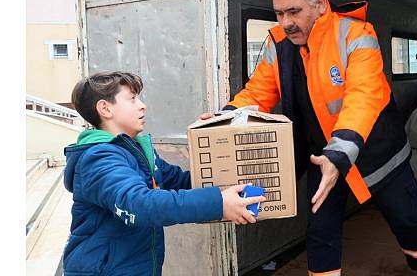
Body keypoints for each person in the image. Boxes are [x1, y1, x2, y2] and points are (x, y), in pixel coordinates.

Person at [202, 0, 417, 276]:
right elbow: (258, 91)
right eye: (279, 13)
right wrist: (223, 118)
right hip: (324, 159)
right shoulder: (277, 44)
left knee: (407, 218)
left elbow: (363, 95)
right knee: (320, 230)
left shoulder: (356, 34)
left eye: (294, 11)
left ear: (320, 5)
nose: (286, 22)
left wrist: (339, 152)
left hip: (378, 154)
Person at [63, 71, 265, 275]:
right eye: (132, 99)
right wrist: (219, 203)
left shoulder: (136, 152)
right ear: (105, 108)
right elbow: (138, 204)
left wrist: (213, 133)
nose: (142, 105)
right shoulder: (99, 158)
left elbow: (182, 181)